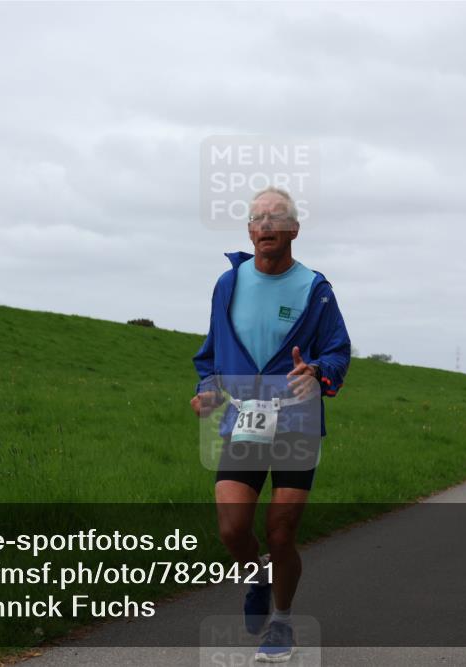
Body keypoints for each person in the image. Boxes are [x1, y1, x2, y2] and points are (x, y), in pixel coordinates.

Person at [191, 187, 351, 663]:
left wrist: (316, 373)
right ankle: (257, 578)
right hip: (244, 419)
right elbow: (211, 355)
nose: (265, 225)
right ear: (249, 231)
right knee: (232, 528)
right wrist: (209, 389)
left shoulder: (316, 289)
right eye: (257, 218)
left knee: (281, 532)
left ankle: (281, 621)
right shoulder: (228, 284)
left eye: (275, 217)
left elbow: (337, 352)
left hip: (296, 422)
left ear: (293, 229)